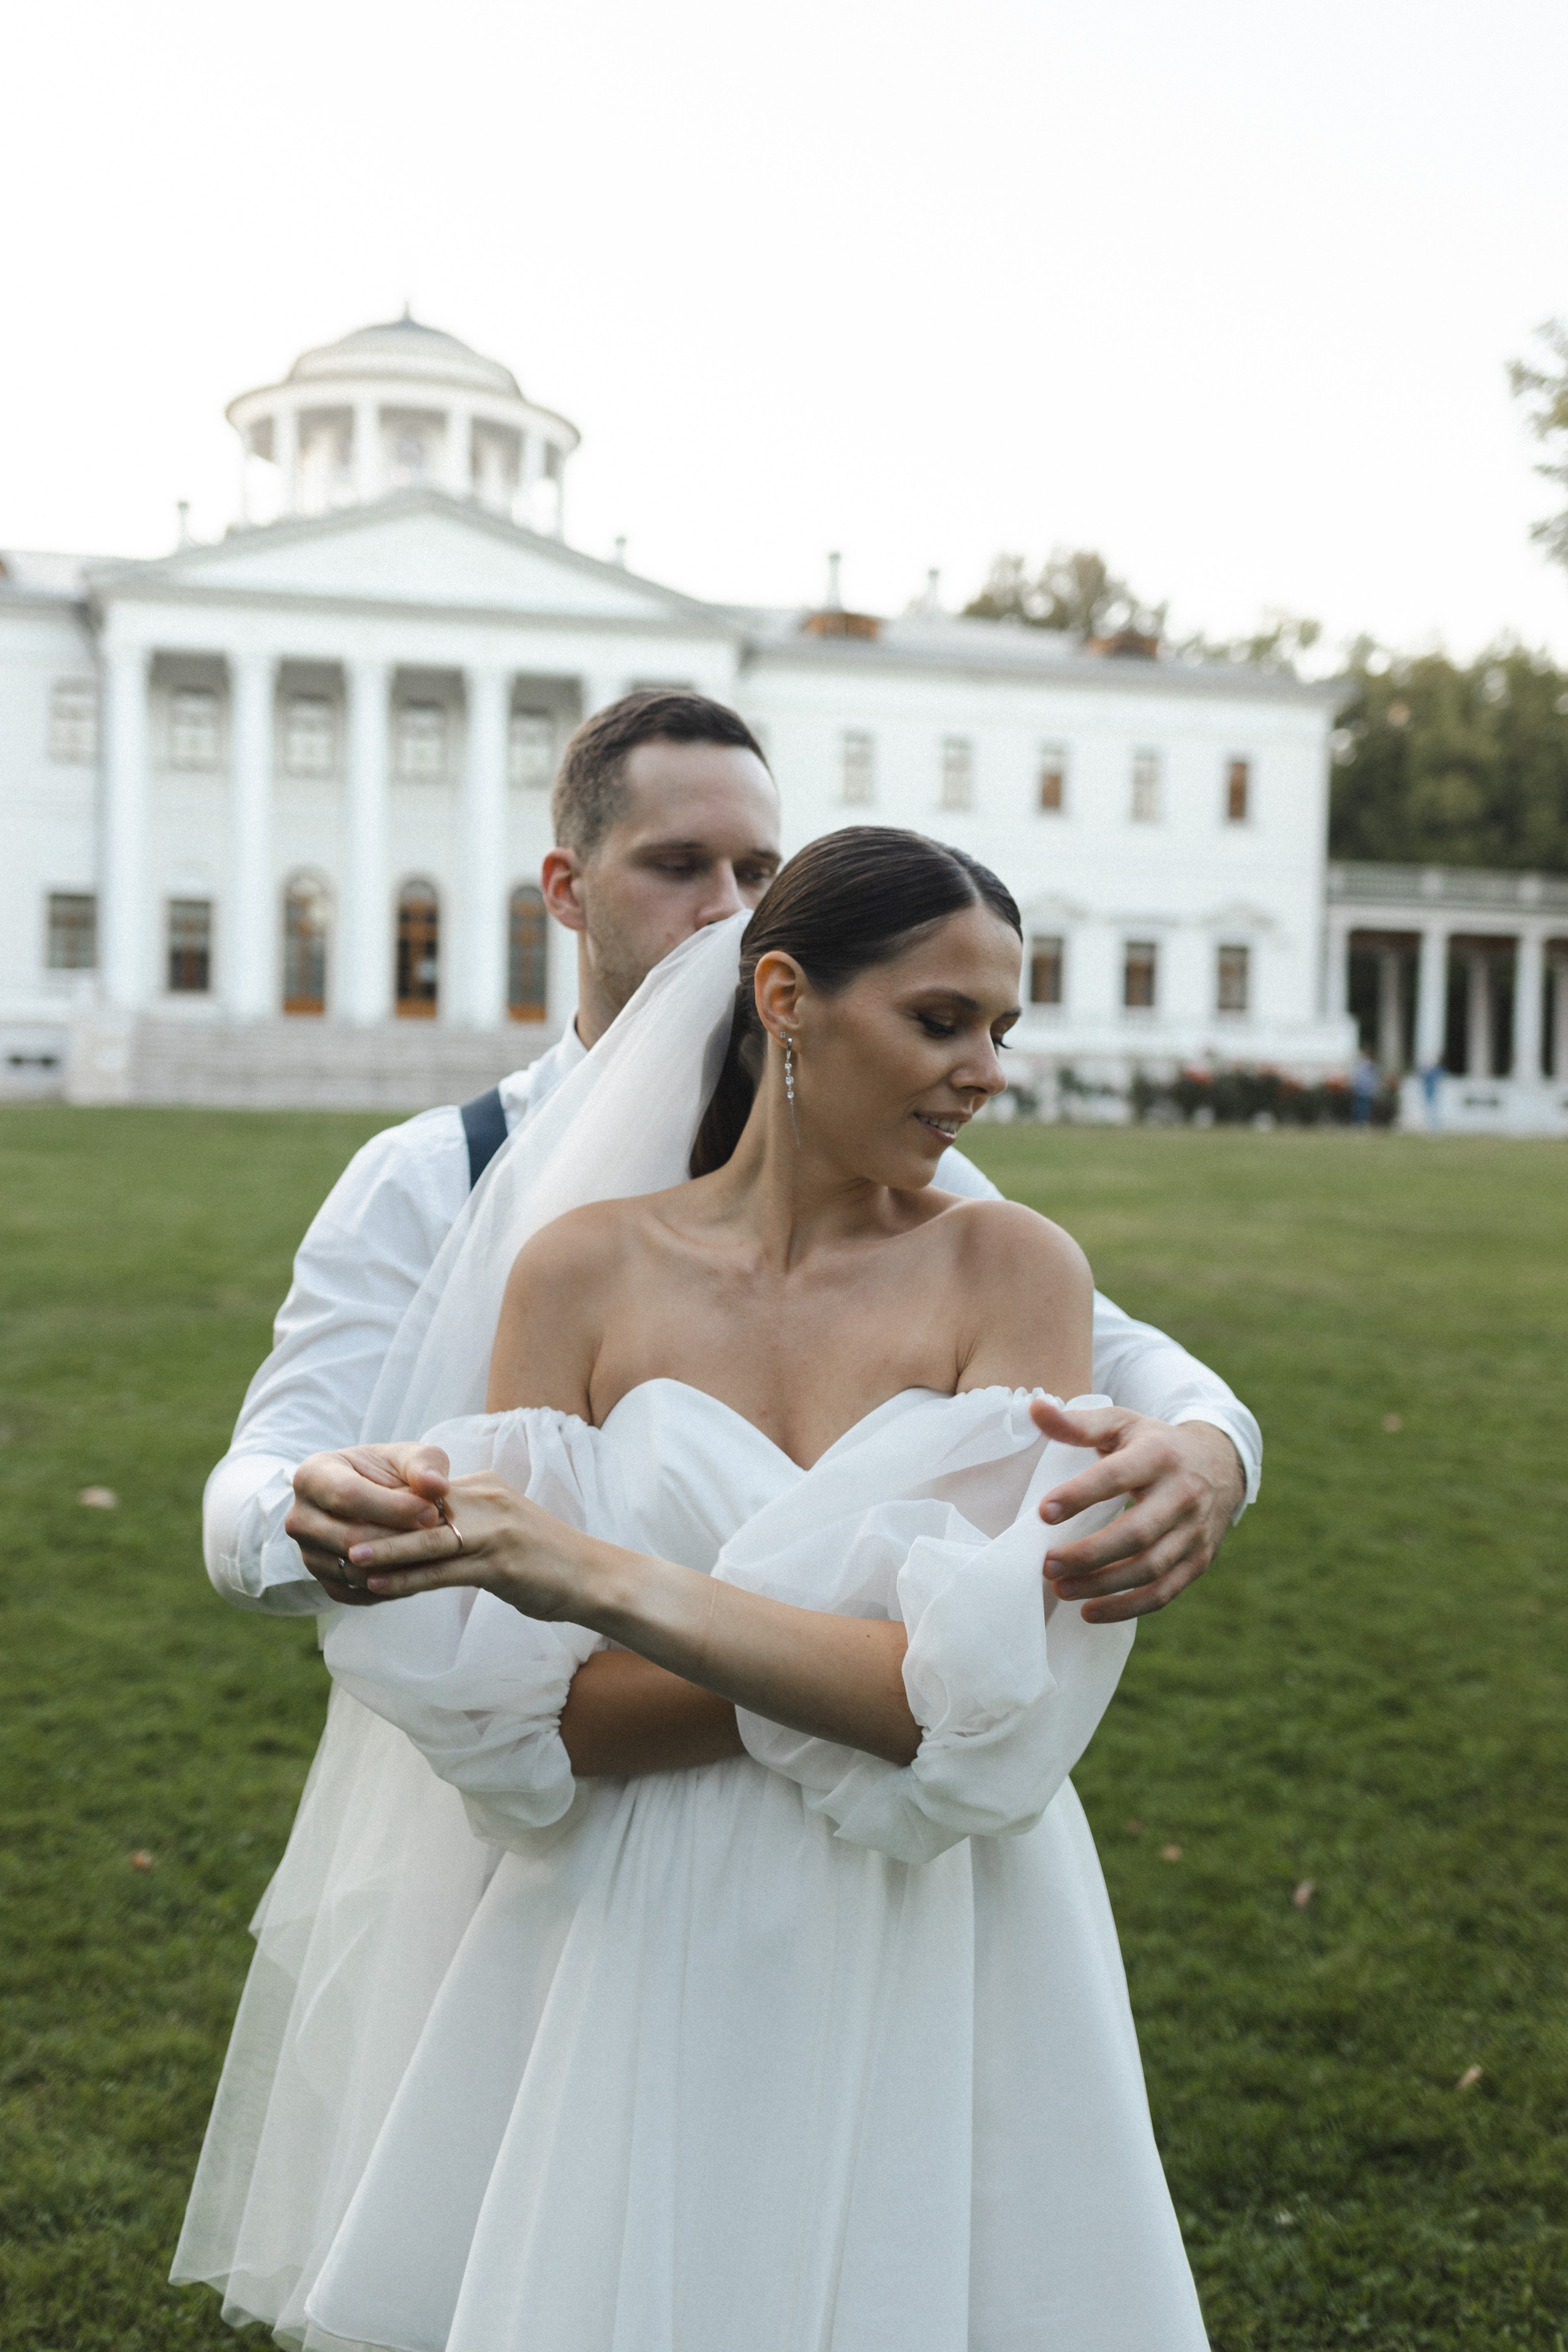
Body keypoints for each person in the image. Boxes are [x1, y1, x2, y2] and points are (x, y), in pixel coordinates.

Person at [175, 694, 1254, 2342]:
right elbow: (354, 1542)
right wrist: (316, 1528)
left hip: (933, 1918)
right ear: (572, 885)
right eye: (686, 863)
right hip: (616, 1908)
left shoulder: (975, 1221)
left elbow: (993, 1673)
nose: (732, 896)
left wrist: (1211, 1448)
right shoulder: (481, 1202)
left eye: (762, 860)